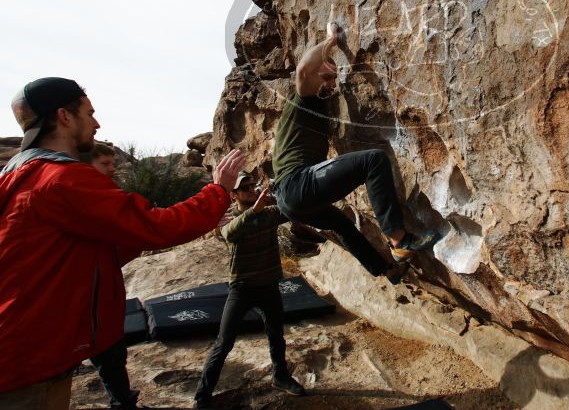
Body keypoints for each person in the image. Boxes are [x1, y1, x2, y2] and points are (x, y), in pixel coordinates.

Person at [0, 77, 245, 410]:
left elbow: (73, 253)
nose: (97, 123)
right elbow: (156, 227)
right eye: (89, 112)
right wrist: (217, 191)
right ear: (64, 116)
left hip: (21, 346)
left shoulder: (17, 175)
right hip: (30, 362)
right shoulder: (61, 179)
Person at [271, 22, 438, 283]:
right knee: (373, 160)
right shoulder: (302, 99)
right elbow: (304, 69)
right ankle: (399, 238)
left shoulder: (319, 108)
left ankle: (386, 270)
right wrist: (330, 42)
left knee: (342, 225)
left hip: (292, 201)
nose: (331, 82)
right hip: (295, 184)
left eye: (334, 78)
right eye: (326, 76)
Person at [194, 172, 304, 408]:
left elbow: (293, 208)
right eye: (244, 187)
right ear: (233, 194)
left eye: (252, 185)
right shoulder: (230, 217)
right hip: (241, 289)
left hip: (269, 286)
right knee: (223, 344)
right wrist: (254, 210)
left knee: (276, 335)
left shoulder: (269, 214)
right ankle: (202, 397)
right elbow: (230, 233)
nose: (251, 189)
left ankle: (281, 376)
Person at [78, 141, 140, 409]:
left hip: (105, 305)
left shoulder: (108, 197)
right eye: (105, 164)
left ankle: (124, 401)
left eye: (113, 164)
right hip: (82, 307)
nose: (112, 169)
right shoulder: (79, 202)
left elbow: (122, 250)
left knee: (114, 359)